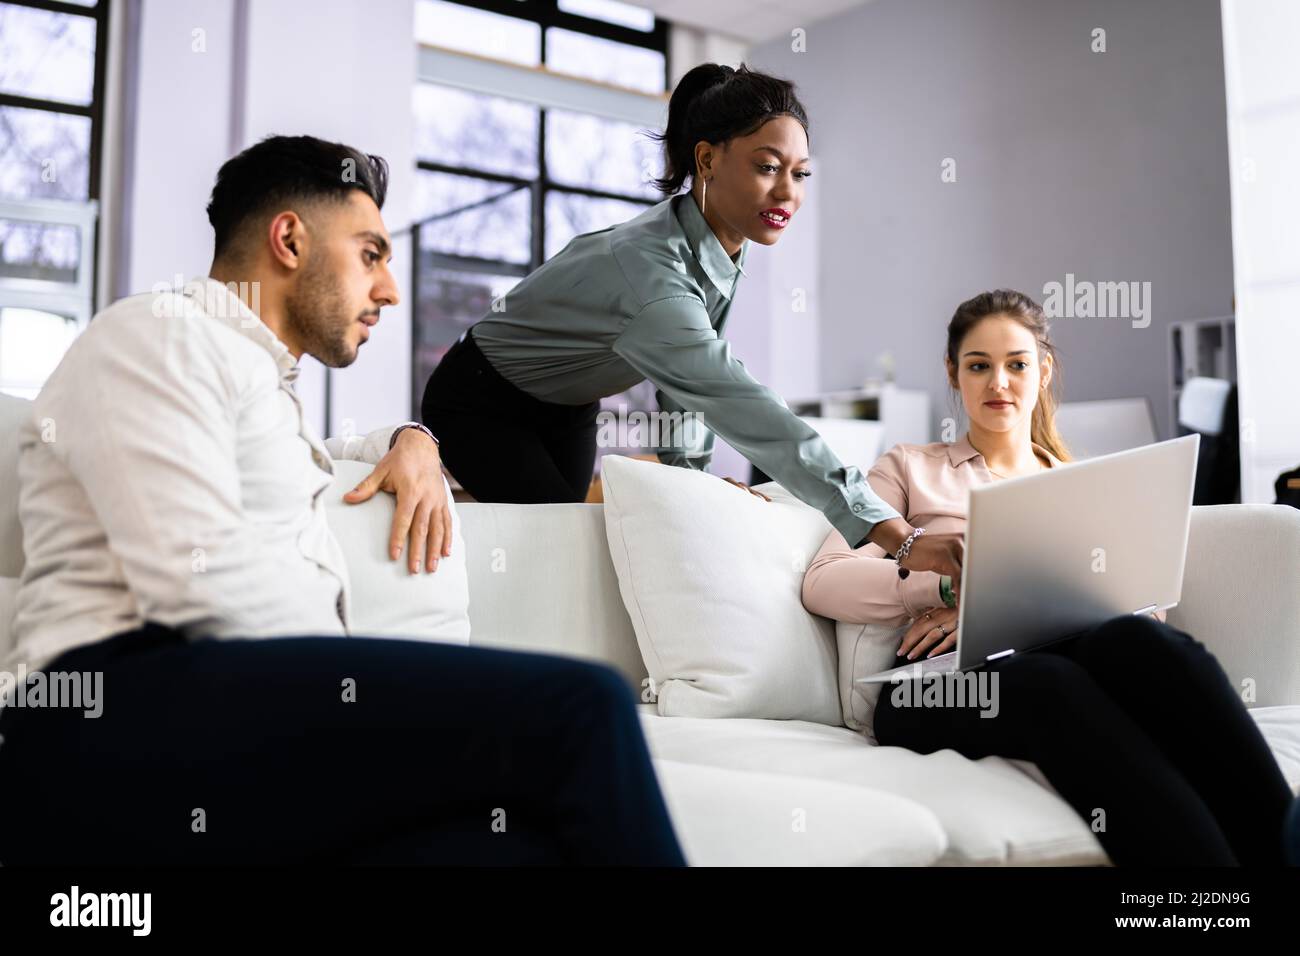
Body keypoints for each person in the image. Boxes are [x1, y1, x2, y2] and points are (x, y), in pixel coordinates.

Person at [0, 135, 684, 866]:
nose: (389, 288)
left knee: (503, 851)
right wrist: (360, 697)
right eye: (371, 253)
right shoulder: (160, 336)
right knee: (584, 709)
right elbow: (194, 586)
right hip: (107, 713)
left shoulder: (259, 383)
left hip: (222, 720)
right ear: (289, 239)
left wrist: (415, 439)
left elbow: (326, 455)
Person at [801, 289, 1297, 866]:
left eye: (1016, 364)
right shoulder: (908, 467)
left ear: (1044, 368)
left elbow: (1144, 604)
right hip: (930, 683)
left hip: (1060, 651)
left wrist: (1042, 604)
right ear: (953, 373)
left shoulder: (1077, 481)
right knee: (1051, 687)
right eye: (979, 366)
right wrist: (943, 588)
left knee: (1143, 640)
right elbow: (825, 580)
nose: (999, 383)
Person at [421, 63, 964, 581]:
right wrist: (897, 534)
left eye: (799, 174)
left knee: (570, 547)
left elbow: (689, 389)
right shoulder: (651, 275)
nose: (787, 193)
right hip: (482, 400)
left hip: (566, 405)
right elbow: (736, 398)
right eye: (767, 167)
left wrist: (693, 487)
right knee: (557, 553)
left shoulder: (718, 245)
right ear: (707, 161)